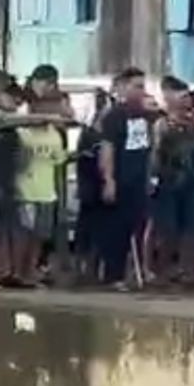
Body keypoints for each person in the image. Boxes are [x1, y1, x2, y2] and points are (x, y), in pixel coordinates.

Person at [99, 67, 154, 291]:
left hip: (139, 180)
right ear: (123, 87)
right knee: (117, 229)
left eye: (143, 86)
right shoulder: (114, 116)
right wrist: (109, 179)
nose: (141, 91)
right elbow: (108, 148)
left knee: (138, 226)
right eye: (137, 86)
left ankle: (137, 270)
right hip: (122, 179)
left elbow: (149, 149)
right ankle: (114, 275)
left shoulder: (144, 115)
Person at [13, 98, 68, 286]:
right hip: (25, 191)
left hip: (47, 192)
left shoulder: (54, 135)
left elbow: (58, 161)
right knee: (24, 234)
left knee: (40, 235)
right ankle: (18, 272)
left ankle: (31, 270)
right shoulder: (21, 133)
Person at [150, 81, 194, 286]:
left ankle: (185, 270)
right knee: (167, 229)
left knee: (191, 228)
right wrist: (154, 179)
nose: (186, 102)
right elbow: (156, 155)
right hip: (168, 181)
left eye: (187, 97)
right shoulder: (162, 125)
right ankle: (162, 270)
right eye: (182, 98)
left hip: (190, 179)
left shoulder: (190, 124)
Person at [74, 89, 109, 283]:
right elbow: (83, 162)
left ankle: (93, 268)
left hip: (100, 187)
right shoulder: (88, 135)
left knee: (99, 230)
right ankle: (83, 267)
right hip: (89, 189)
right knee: (85, 230)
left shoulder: (106, 134)